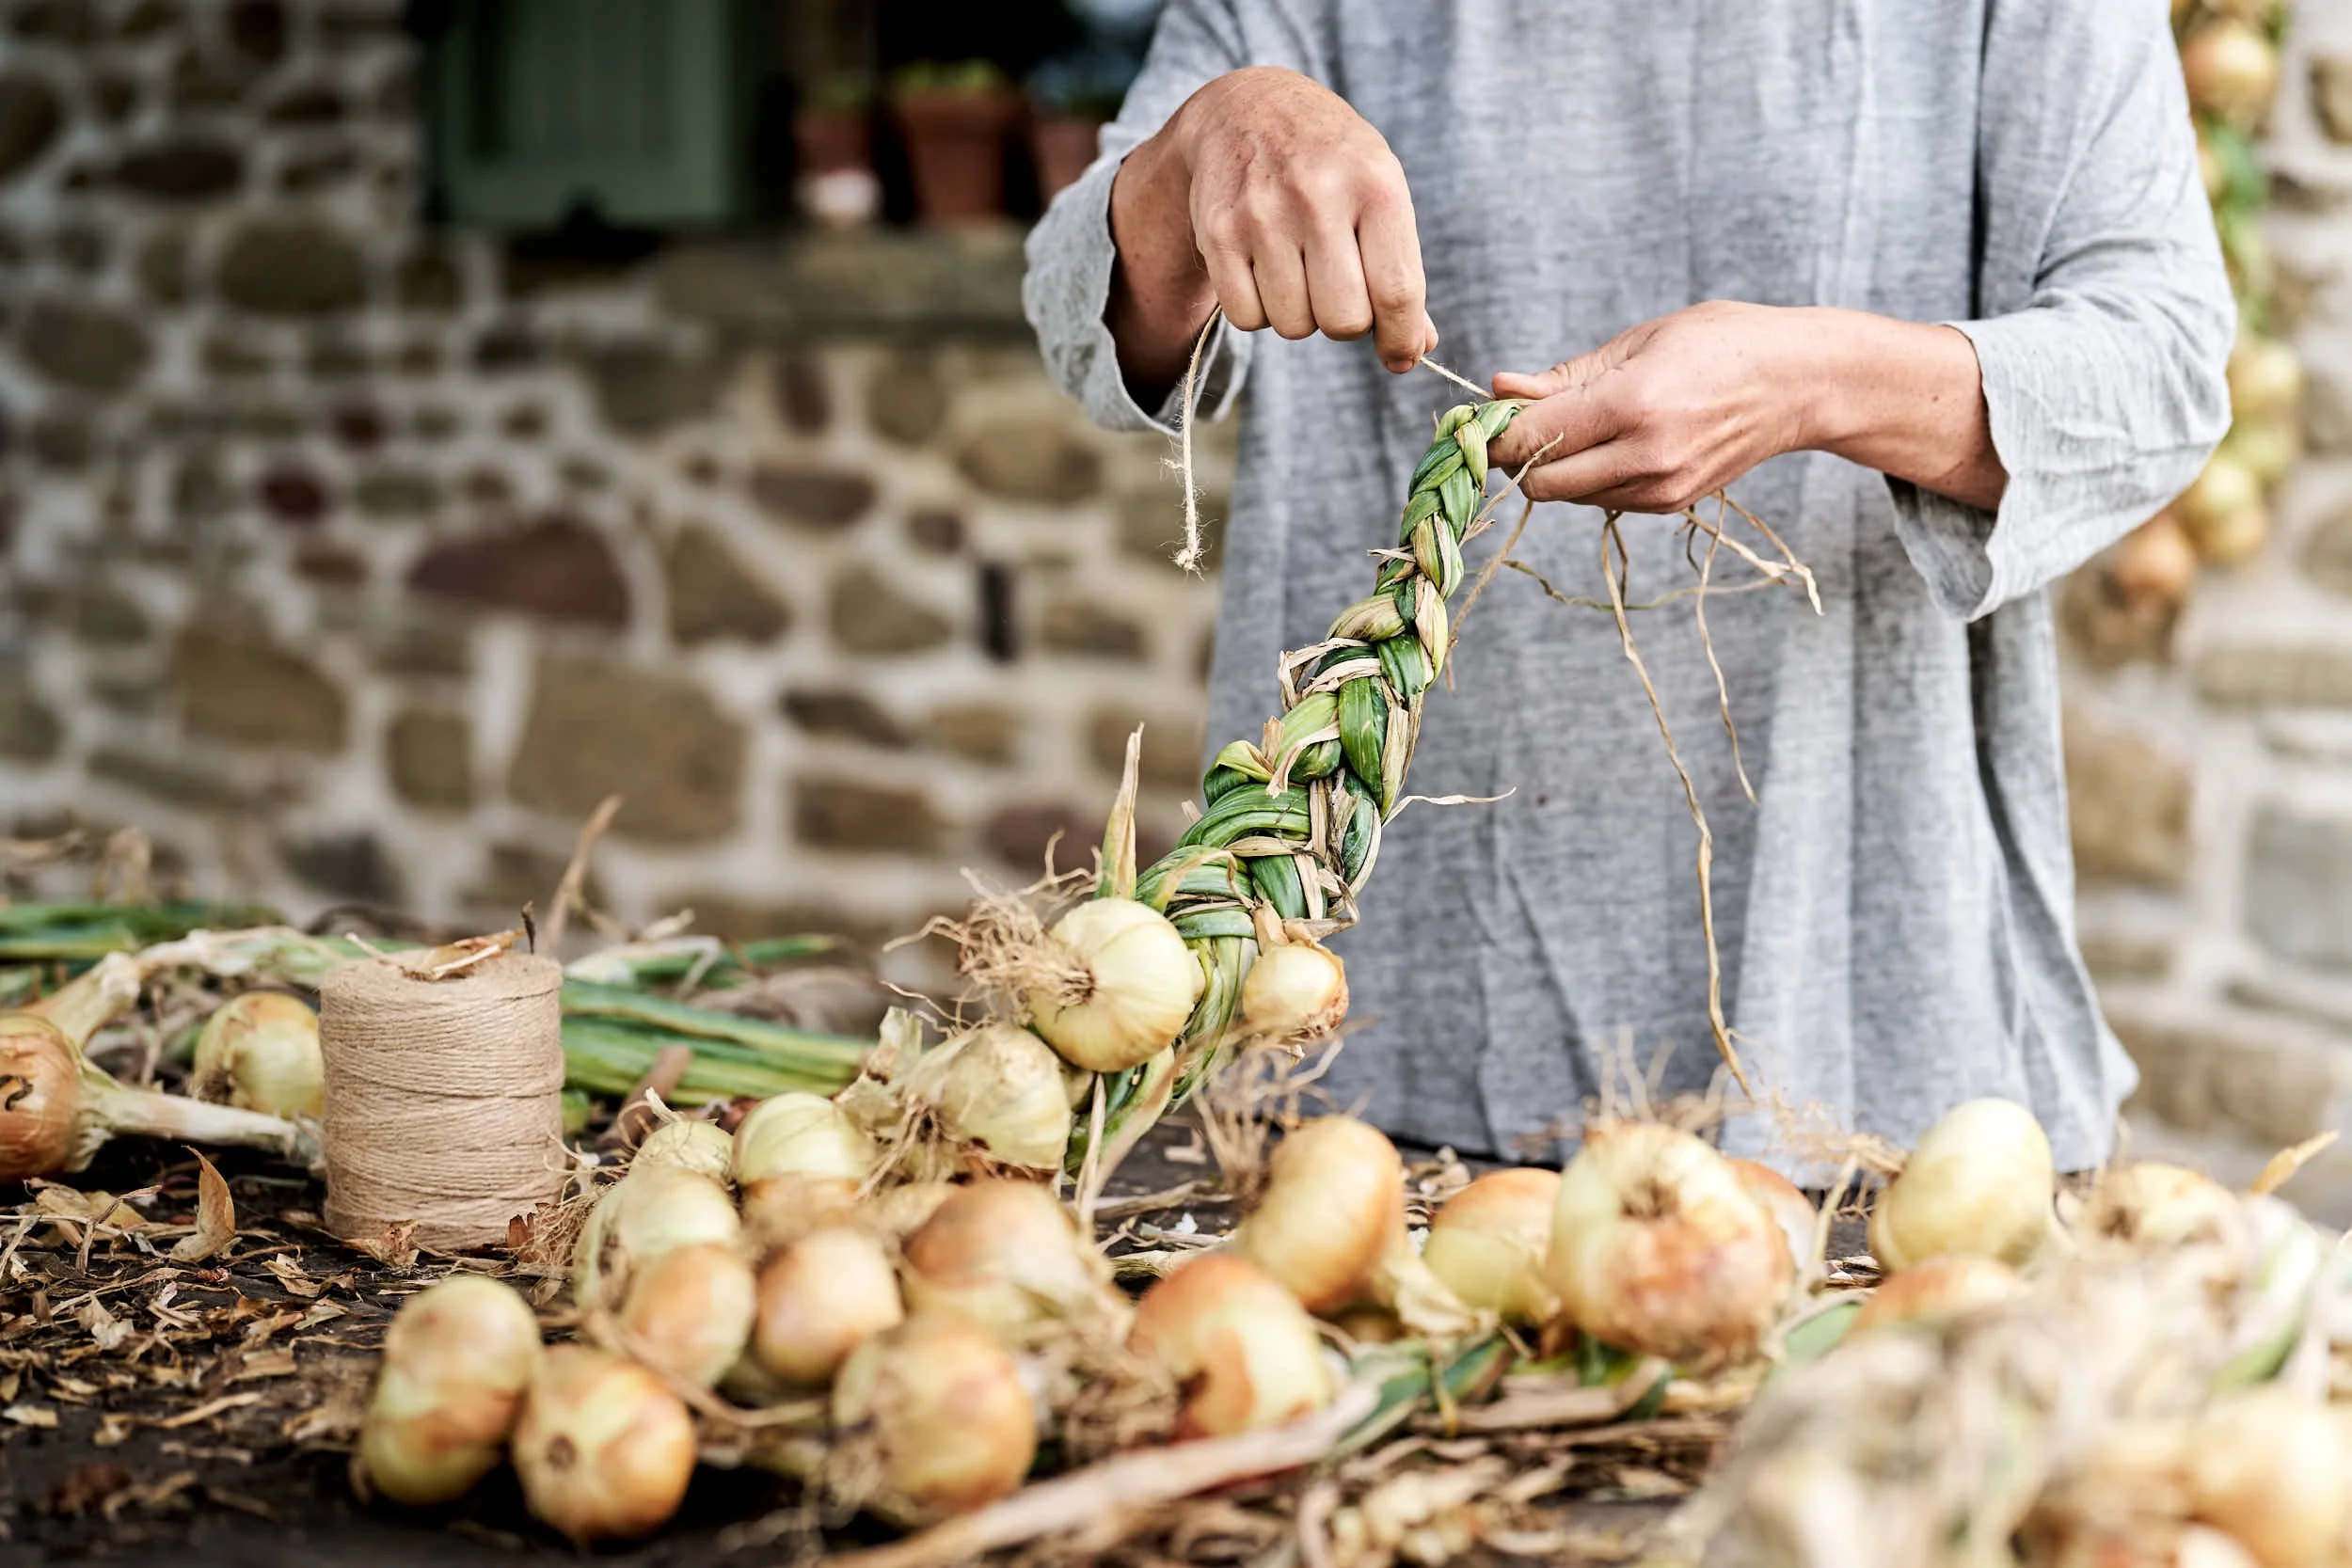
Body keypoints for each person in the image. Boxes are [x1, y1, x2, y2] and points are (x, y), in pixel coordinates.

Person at [1022, 2, 2234, 1176]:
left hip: (1871, 1030)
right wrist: (1198, 146)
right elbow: (1078, 327)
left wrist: (1811, 383)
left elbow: (2164, 371)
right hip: (1355, 1026)